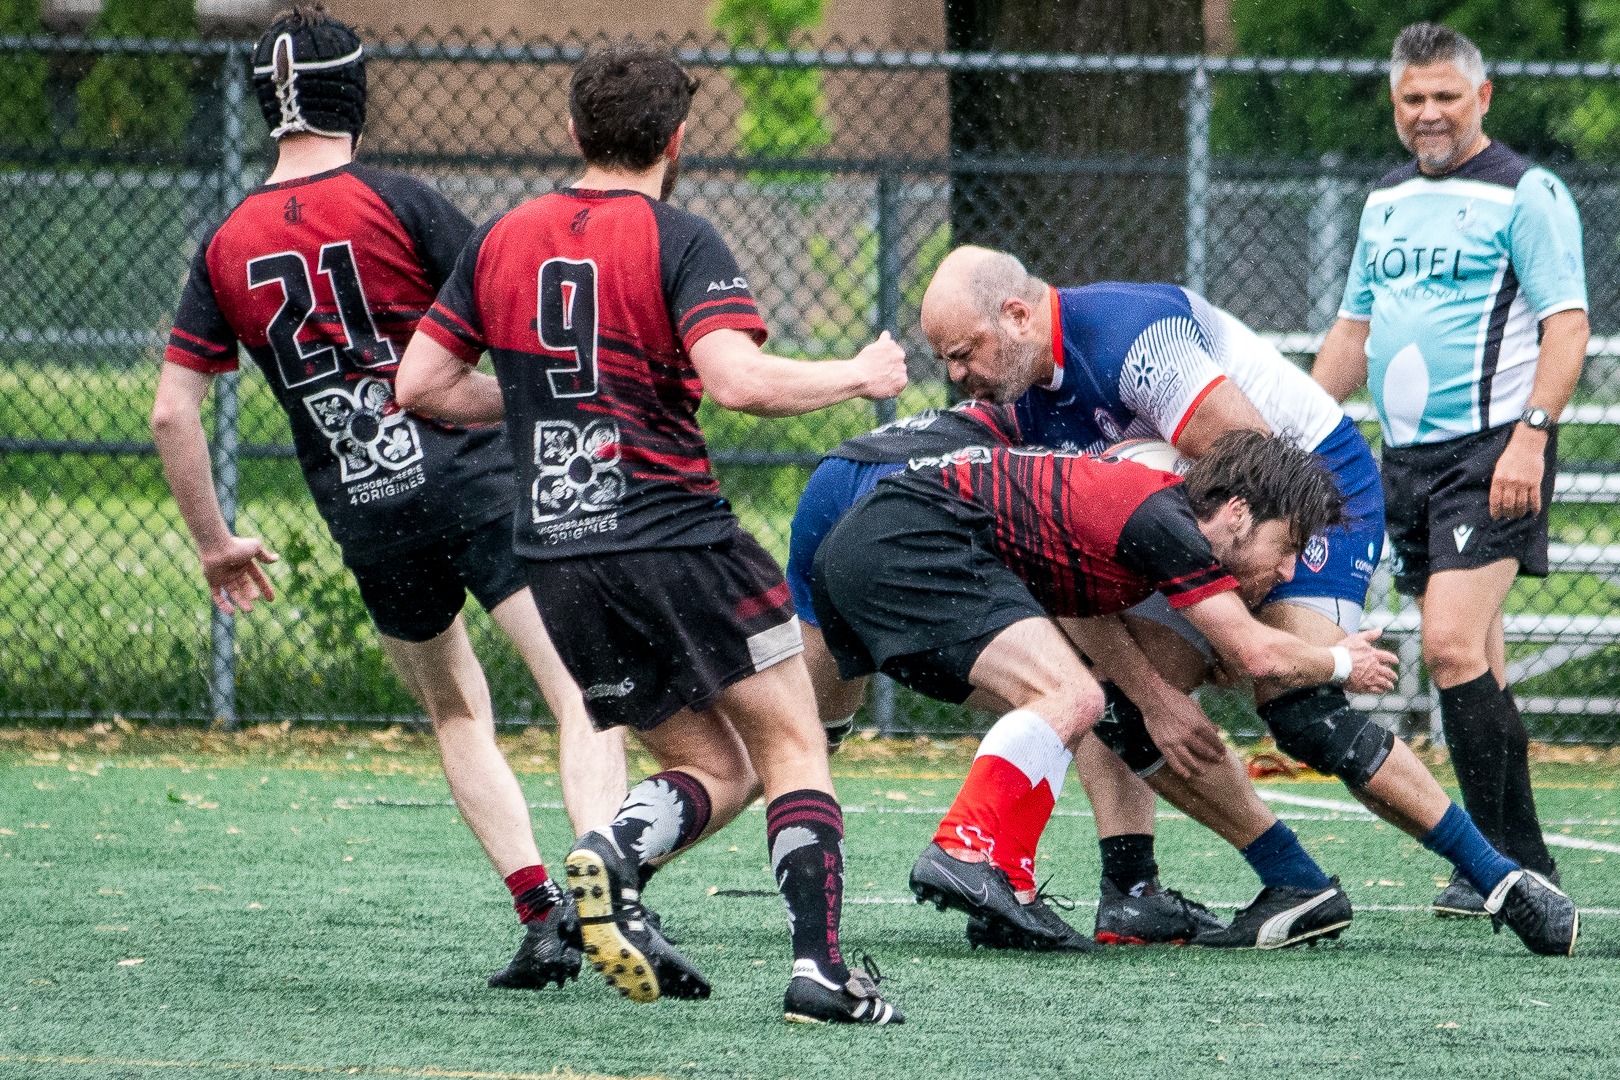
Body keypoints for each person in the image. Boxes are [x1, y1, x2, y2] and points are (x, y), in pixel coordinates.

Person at [396, 44, 905, 1024]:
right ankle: (821, 974)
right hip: (677, 534)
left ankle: (610, 854)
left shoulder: (503, 237)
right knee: (796, 744)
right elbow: (742, 382)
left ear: (576, 132)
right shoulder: (679, 237)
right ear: (677, 139)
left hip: (558, 556)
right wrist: (857, 371)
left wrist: (542, 400)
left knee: (721, 766)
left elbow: (418, 385)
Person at [151, 4, 630, 993]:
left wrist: (214, 543)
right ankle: (609, 890)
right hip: (479, 480)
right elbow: (512, 325)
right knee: (584, 692)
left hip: (367, 515)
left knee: (459, 714)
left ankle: (540, 915)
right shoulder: (399, 201)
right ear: (354, 92)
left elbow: (171, 414)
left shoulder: (224, 244)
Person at [918, 243, 1579, 955]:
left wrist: (1239, 620)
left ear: (1016, 316)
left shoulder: (1134, 342)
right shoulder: (1023, 399)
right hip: (1201, 521)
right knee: (1115, 701)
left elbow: (1263, 479)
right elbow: (1077, 576)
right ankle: (1166, 889)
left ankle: (1503, 878)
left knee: (1301, 710)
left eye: (964, 354)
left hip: (1309, 488)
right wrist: (1161, 686)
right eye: (947, 362)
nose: (959, 378)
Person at [813, 431, 1406, 951]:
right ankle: (963, 849)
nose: (1287, 571)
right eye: (1289, 545)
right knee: (1074, 698)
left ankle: (1009, 884)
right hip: (903, 544)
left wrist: (1152, 697)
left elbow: (1082, 615)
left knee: (1069, 704)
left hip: (867, 551)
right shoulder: (1164, 523)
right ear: (1238, 513)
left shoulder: (1135, 513)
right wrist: (1337, 661)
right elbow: (1256, 652)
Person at [1312, 23, 1586, 926]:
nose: (1428, 114)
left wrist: (1532, 438)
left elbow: (1567, 324)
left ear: (1483, 97)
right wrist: (1297, 429)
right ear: (1396, 107)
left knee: (1452, 646)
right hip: (1407, 462)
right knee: (1477, 660)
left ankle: (1521, 865)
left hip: (1493, 455)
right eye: (1411, 100)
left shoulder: (1526, 193)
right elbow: (1353, 332)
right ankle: (1490, 867)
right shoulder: (1384, 200)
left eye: (1445, 97)